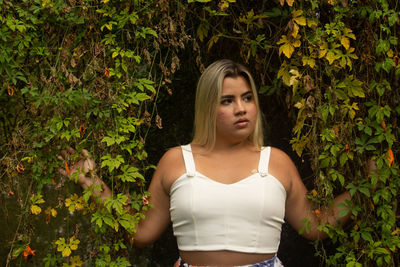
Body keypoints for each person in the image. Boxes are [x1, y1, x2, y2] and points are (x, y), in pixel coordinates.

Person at [58, 59, 353, 266]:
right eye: (227, 100)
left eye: (247, 98)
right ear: (207, 106)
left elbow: (315, 226)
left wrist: (371, 185)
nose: (241, 109)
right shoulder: (175, 162)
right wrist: (92, 184)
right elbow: (141, 233)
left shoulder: (276, 162)